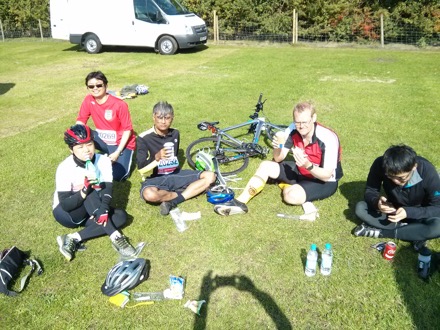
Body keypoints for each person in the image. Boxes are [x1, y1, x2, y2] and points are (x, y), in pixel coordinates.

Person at [214, 101, 343, 216]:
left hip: (323, 180)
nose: (301, 126)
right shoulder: (293, 129)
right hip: (301, 169)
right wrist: (278, 147)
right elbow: (278, 158)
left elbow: (327, 175)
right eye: (297, 122)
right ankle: (239, 203)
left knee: (291, 196)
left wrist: (308, 165)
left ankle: (290, 187)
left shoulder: (328, 137)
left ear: (314, 118)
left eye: (305, 122)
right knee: (266, 165)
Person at [53, 124, 143, 261]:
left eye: (89, 144)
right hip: (68, 213)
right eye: (80, 147)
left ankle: (74, 238)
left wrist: (104, 209)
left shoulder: (103, 160)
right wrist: (84, 189)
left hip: (92, 208)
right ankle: (116, 237)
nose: (86, 150)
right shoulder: (64, 168)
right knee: (90, 190)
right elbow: (65, 204)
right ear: (71, 149)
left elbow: (107, 189)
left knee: (121, 216)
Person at [353, 144, 440, 250]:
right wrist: (377, 202)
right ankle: (414, 233)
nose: (395, 181)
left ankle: (382, 233)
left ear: (414, 167)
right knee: (361, 208)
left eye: (401, 178)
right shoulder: (380, 164)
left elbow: (437, 207)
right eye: (390, 176)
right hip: (394, 212)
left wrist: (409, 212)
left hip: (420, 215)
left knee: (437, 227)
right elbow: (370, 190)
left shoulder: (427, 172)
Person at [136, 101, 216, 215]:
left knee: (210, 176)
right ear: (153, 117)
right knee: (150, 195)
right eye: (159, 117)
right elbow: (141, 168)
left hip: (174, 173)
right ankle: (187, 191)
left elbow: (174, 155)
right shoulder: (143, 138)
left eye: (167, 118)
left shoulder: (175, 133)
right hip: (155, 178)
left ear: (172, 118)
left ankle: (174, 201)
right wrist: (156, 158)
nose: (163, 121)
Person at [76, 71, 136, 181]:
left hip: (121, 143)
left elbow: (128, 130)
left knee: (118, 176)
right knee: (82, 132)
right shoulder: (88, 100)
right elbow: (81, 121)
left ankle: (114, 154)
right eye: (91, 86)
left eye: (99, 85)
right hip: (102, 140)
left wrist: (117, 152)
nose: (95, 88)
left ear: (106, 86)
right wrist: (77, 139)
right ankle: (89, 159)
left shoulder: (120, 104)